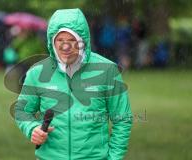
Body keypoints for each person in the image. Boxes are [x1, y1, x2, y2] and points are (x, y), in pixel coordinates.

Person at [14, 8, 132, 160]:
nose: (65, 47)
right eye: (60, 40)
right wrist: (32, 129)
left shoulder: (107, 71)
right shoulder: (37, 73)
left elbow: (122, 119)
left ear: (82, 41)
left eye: (71, 40)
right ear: (52, 41)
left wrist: (114, 157)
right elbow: (22, 111)